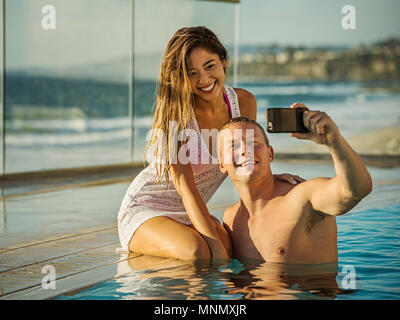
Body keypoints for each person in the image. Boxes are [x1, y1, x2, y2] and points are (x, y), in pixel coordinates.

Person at [117, 26, 302, 261]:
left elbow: (244, 161)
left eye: (210, 66)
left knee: (230, 250)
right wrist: (219, 261)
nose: (204, 79)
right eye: (192, 72)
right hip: (148, 207)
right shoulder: (178, 117)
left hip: (190, 211)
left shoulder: (243, 103)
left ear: (223, 61)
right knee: (200, 253)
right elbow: (188, 190)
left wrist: (270, 178)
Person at [219, 104, 373, 263]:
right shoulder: (231, 219)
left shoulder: (302, 197)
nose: (245, 150)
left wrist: (335, 143)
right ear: (222, 164)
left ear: (270, 154)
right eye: (233, 146)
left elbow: (356, 190)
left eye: (253, 142)